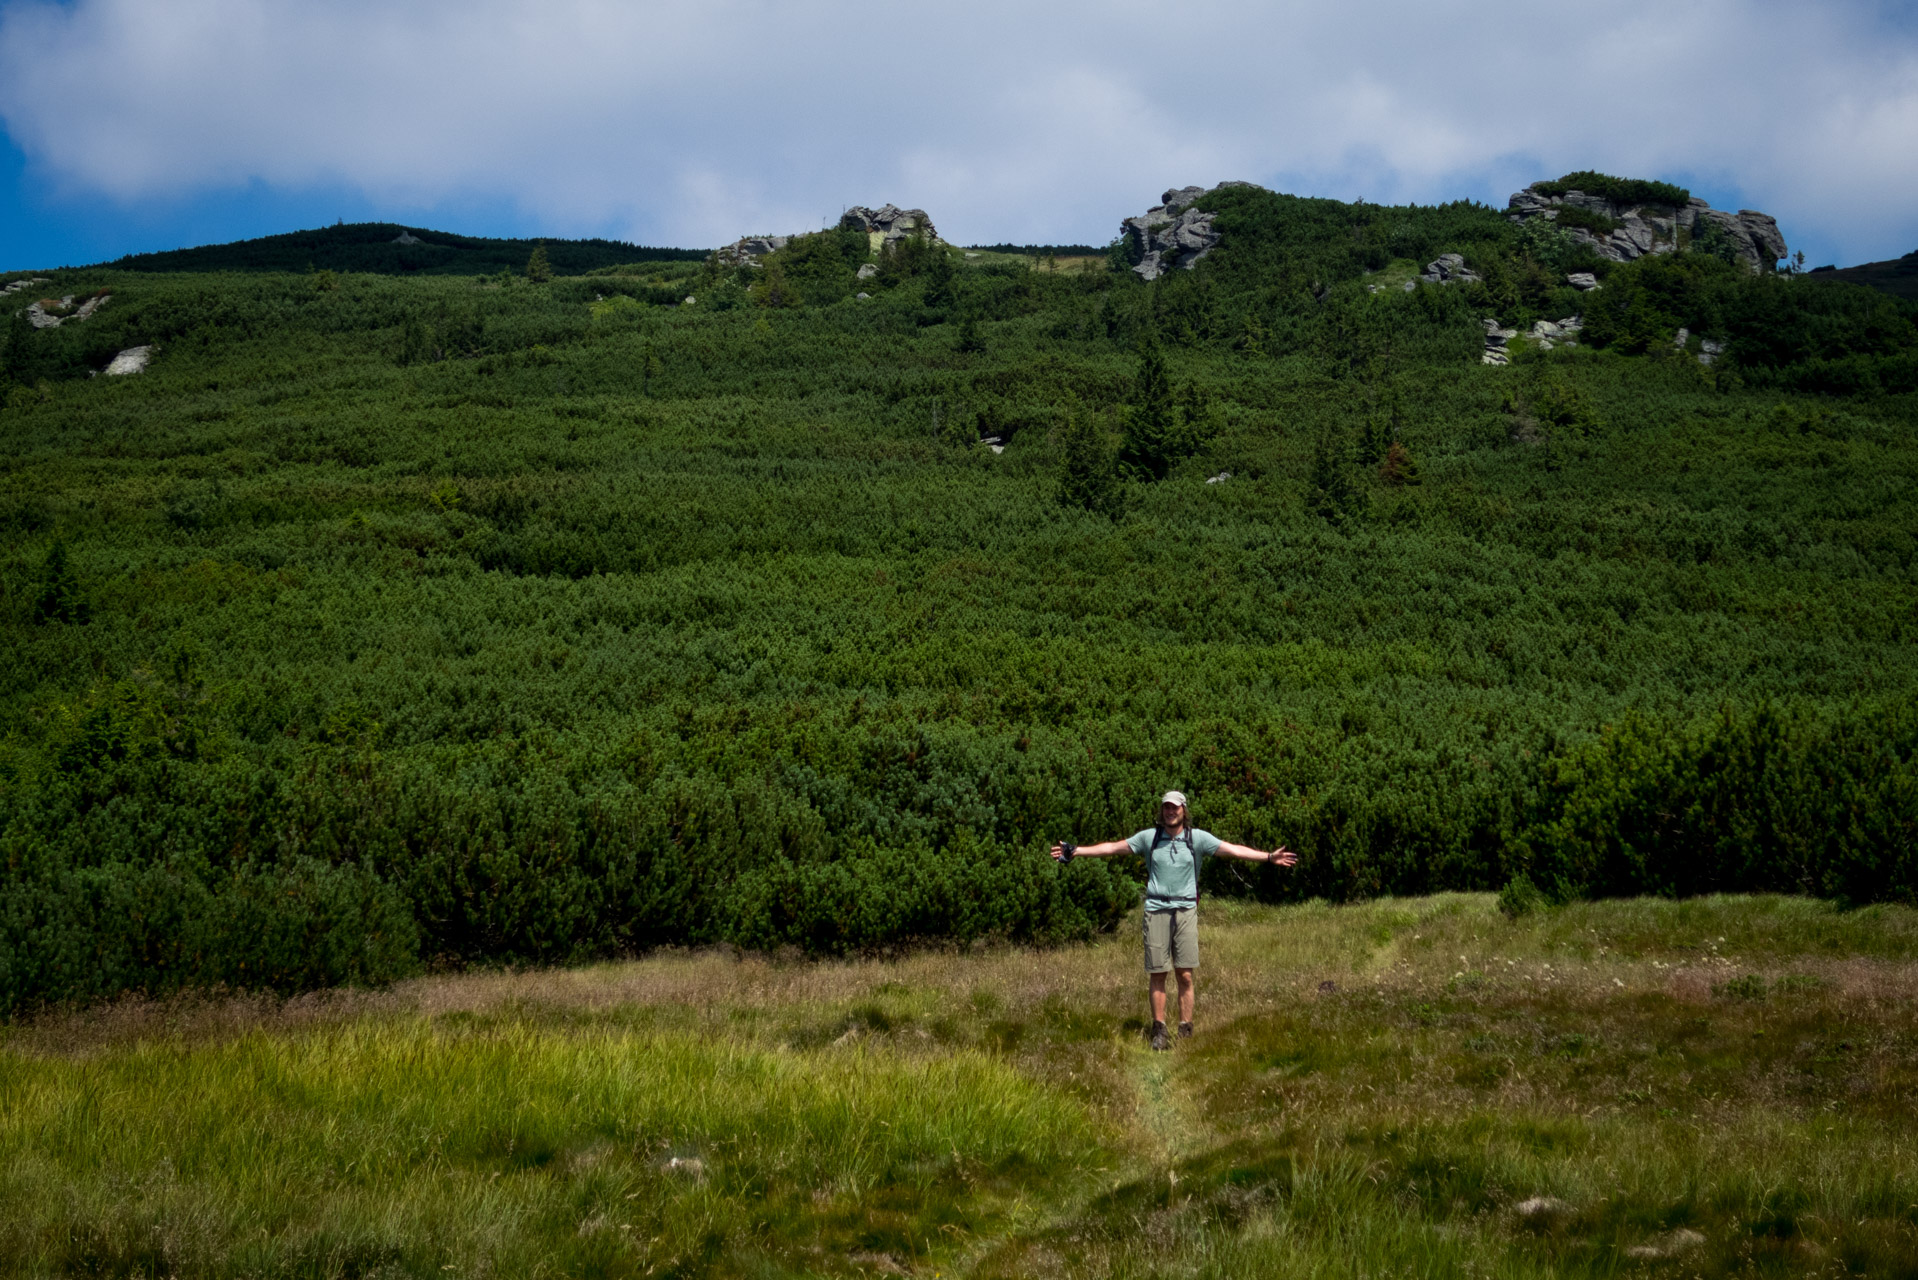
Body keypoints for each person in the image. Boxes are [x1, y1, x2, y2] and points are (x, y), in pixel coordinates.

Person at [1052, 790, 1296, 1051]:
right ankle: (1159, 1031)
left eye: (1175, 808)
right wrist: (1076, 851)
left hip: (1186, 911)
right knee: (1158, 973)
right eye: (1166, 808)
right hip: (1156, 909)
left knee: (1185, 974)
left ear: (1184, 810)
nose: (1170, 812)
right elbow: (1112, 847)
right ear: (1162, 811)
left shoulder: (1197, 839)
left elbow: (1233, 851)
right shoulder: (1150, 838)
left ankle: (1185, 1030)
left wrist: (1269, 857)